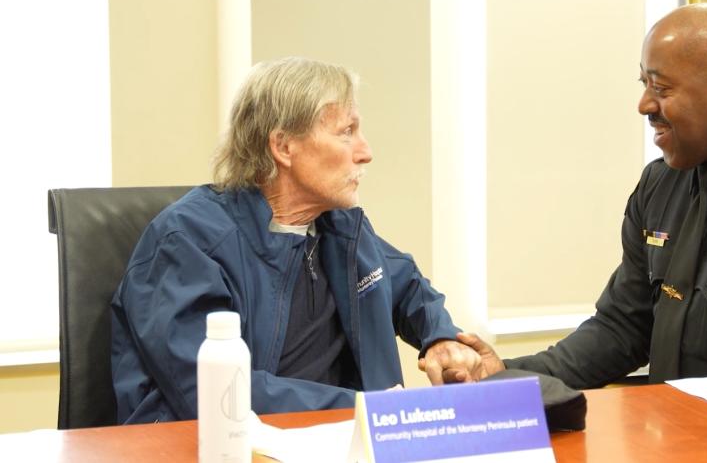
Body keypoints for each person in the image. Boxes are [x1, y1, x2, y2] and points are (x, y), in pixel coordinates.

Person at [443, 3, 707, 387]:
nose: (644, 104)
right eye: (644, 84)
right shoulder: (663, 183)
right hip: (674, 429)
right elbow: (623, 328)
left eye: (661, 89)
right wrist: (509, 379)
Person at [111, 57, 479, 423]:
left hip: (340, 441)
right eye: (346, 132)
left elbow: (407, 285)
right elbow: (216, 393)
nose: (365, 152)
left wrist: (440, 338)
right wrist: (364, 409)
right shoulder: (188, 242)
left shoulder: (339, 227)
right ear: (283, 146)